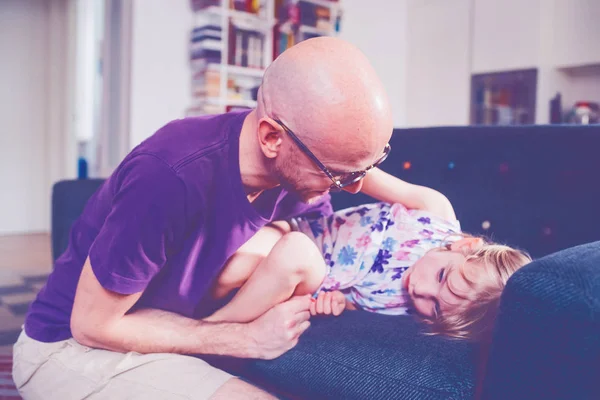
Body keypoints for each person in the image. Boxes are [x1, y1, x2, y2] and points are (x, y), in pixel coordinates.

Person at [12, 36, 413, 399]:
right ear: (272, 138)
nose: (352, 187)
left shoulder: (300, 174)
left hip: (160, 328)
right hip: (68, 347)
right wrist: (243, 339)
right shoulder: (169, 176)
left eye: (363, 171)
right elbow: (93, 325)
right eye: (338, 173)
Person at [207, 179, 532, 341]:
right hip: (300, 227)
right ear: (465, 246)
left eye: (434, 307)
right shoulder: (436, 213)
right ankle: (198, 318)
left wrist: (338, 304)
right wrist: (345, 167)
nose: (420, 291)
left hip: (308, 274)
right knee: (234, 267)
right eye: (441, 277)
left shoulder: (403, 311)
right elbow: (368, 178)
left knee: (294, 252)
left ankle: (209, 333)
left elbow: (353, 303)